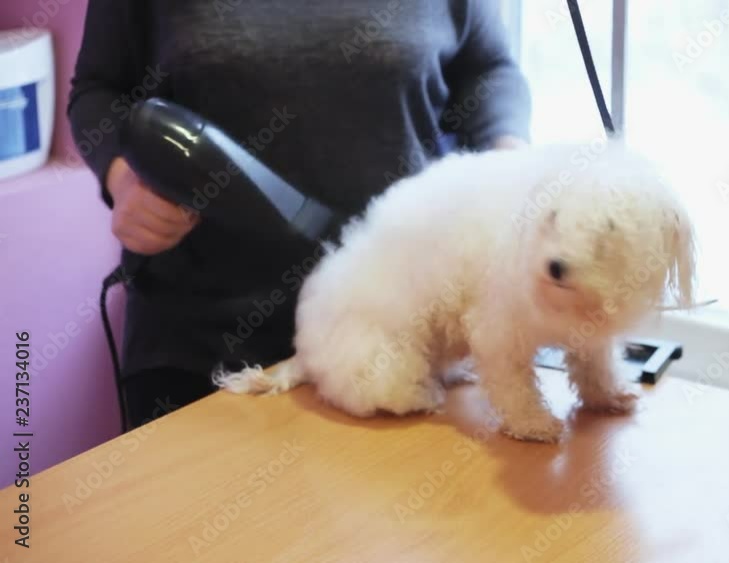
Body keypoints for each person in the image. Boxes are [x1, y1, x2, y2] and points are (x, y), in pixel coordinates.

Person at [68, 0, 531, 430]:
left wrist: (508, 164)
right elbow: (98, 89)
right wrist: (124, 179)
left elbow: (488, 70)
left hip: (402, 339)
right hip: (204, 349)